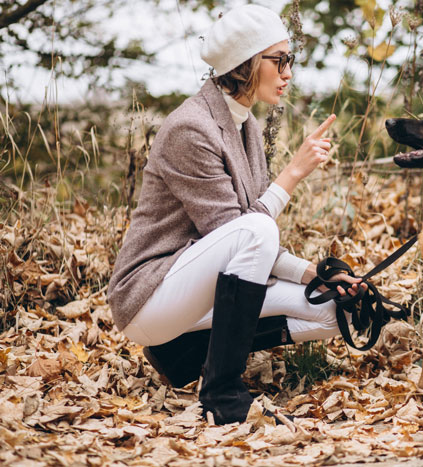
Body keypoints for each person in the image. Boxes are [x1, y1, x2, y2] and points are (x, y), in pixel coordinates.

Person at [107, 4, 364, 425]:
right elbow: (243, 232)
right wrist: (292, 174)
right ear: (245, 63)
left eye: (290, 60)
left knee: (334, 311)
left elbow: (250, 245)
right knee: (259, 227)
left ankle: (183, 355)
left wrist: (317, 276)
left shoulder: (246, 127)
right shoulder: (191, 128)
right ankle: (222, 393)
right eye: (278, 60)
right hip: (149, 299)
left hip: (197, 296)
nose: (288, 73)